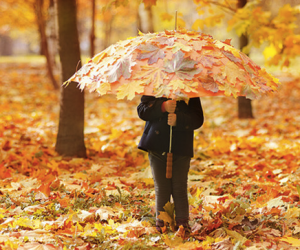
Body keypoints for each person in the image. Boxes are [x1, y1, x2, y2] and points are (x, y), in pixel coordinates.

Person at [137, 95, 204, 233]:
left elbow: (197, 119)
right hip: (156, 146)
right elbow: (142, 111)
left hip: (181, 147)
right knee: (162, 187)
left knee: (179, 187)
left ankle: (182, 224)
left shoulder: (190, 89)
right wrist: (163, 107)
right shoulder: (155, 84)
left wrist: (179, 120)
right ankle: (162, 222)